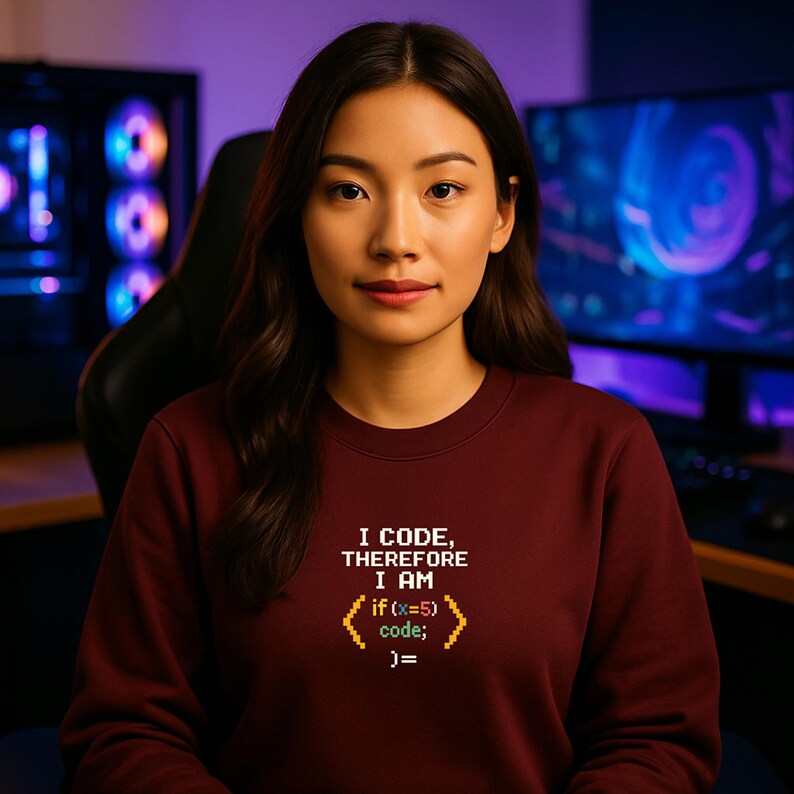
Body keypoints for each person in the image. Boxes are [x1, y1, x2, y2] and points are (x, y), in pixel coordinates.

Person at [60, 21, 721, 792]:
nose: (395, 239)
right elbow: (123, 731)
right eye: (348, 190)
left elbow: (659, 739)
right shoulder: (188, 447)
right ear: (296, 215)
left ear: (502, 214)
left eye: (443, 190)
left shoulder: (604, 451)